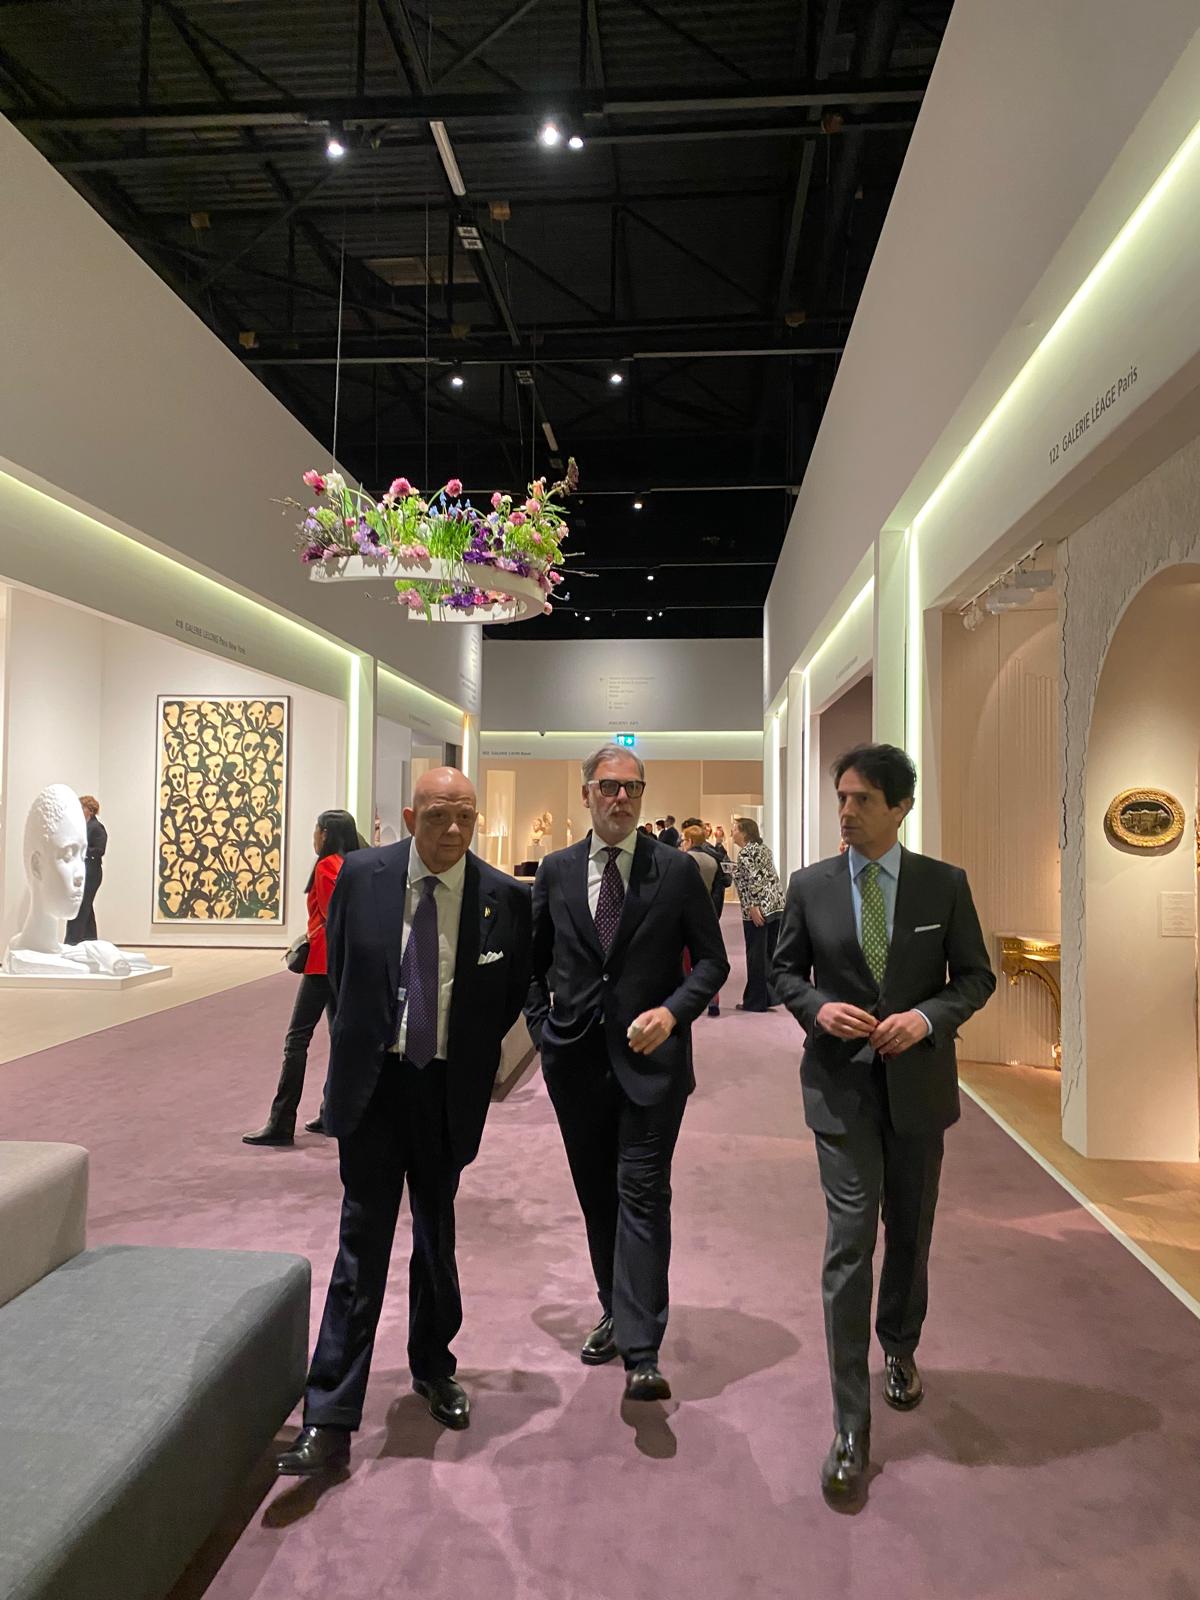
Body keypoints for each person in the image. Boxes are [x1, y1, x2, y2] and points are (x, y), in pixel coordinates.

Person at [277, 769, 532, 1476]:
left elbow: (511, 994)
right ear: (412, 817)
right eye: (438, 816)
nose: (453, 830)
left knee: (436, 1237)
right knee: (361, 1242)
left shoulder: (504, 897)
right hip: (374, 1087)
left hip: (446, 1089)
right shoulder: (362, 877)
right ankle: (329, 1415)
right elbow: (342, 975)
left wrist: (468, 1055)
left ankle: (433, 1365)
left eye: (465, 817)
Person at [772, 743, 995, 1506]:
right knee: (849, 1243)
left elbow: (975, 976)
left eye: (863, 799)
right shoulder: (810, 885)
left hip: (918, 1091)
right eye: (842, 797)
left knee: (910, 1228)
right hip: (839, 1092)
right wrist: (817, 1009)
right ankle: (850, 1424)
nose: (846, 811)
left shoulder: (943, 885)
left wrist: (927, 1018)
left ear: (901, 807)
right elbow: (782, 971)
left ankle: (899, 1346)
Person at [526, 745, 728, 1401]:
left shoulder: (676, 871)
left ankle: (643, 1349)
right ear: (586, 792)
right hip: (575, 1063)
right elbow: (532, 964)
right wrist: (543, 1032)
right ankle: (614, 1308)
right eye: (609, 787)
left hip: (653, 1066)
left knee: (642, 1192)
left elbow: (712, 962)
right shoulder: (556, 871)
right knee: (598, 1196)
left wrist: (672, 1013)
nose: (621, 798)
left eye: (632, 788)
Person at [243, 809, 361, 1147]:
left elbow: (331, 916)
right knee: (339, 1038)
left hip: (322, 963)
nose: (313, 837)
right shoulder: (351, 865)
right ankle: (332, 1111)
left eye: (315, 830)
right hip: (341, 964)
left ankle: (281, 1121)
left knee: (297, 1040)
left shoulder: (326, 867)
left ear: (325, 833)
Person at [730, 817, 785, 1012]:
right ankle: (768, 997)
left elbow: (755, 878)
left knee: (756, 956)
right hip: (775, 906)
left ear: (744, 832)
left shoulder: (746, 852)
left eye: (735, 829)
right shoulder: (764, 849)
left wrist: (753, 905)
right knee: (768, 955)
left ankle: (755, 1001)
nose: (732, 832)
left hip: (758, 909)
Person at [681, 822, 726, 1017]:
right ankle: (713, 1000)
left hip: (686, 914)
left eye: (684, 840)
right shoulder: (713, 860)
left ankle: (687, 999)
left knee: (686, 960)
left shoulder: (684, 860)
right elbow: (719, 888)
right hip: (709, 912)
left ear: (690, 841)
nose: (682, 843)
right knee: (707, 959)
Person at [64, 795, 107, 945]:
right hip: (82, 872)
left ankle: (72, 942)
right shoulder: (80, 827)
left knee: (81, 906)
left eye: (82, 808)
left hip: (92, 873)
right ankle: (90, 941)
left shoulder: (97, 828)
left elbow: (100, 850)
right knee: (85, 907)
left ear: (90, 810)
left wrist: (81, 850)